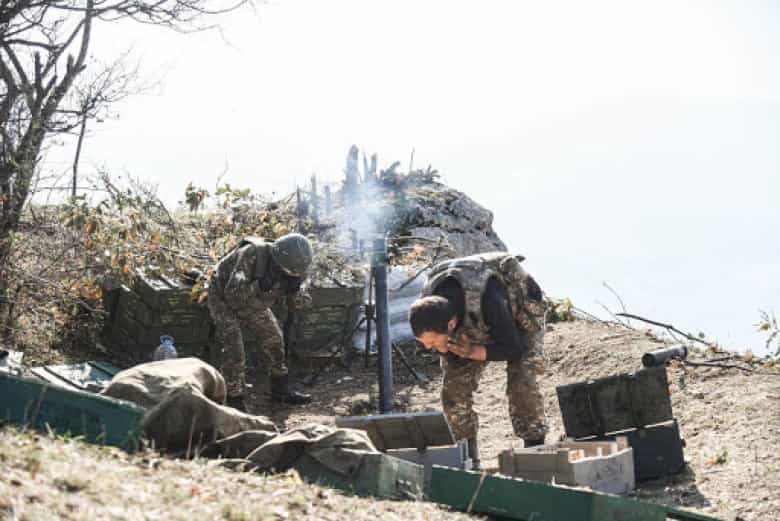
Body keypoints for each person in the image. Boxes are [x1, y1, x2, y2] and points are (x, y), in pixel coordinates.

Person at [408, 252, 548, 468]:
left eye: (433, 341)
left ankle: (534, 449)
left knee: (522, 380)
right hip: (469, 319)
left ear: (451, 324)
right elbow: (449, 356)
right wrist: (449, 349)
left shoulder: (490, 301)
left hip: (517, 315)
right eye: (425, 343)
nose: (429, 347)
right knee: (453, 392)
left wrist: (476, 352)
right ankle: (467, 459)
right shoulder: (429, 308)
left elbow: (514, 348)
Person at [207, 232, 314, 411]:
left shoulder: (297, 267)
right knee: (234, 348)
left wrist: (295, 292)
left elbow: (300, 306)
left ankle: (280, 390)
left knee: (274, 339)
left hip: (255, 301)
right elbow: (233, 295)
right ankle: (234, 399)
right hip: (222, 297)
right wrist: (259, 286)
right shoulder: (252, 254)